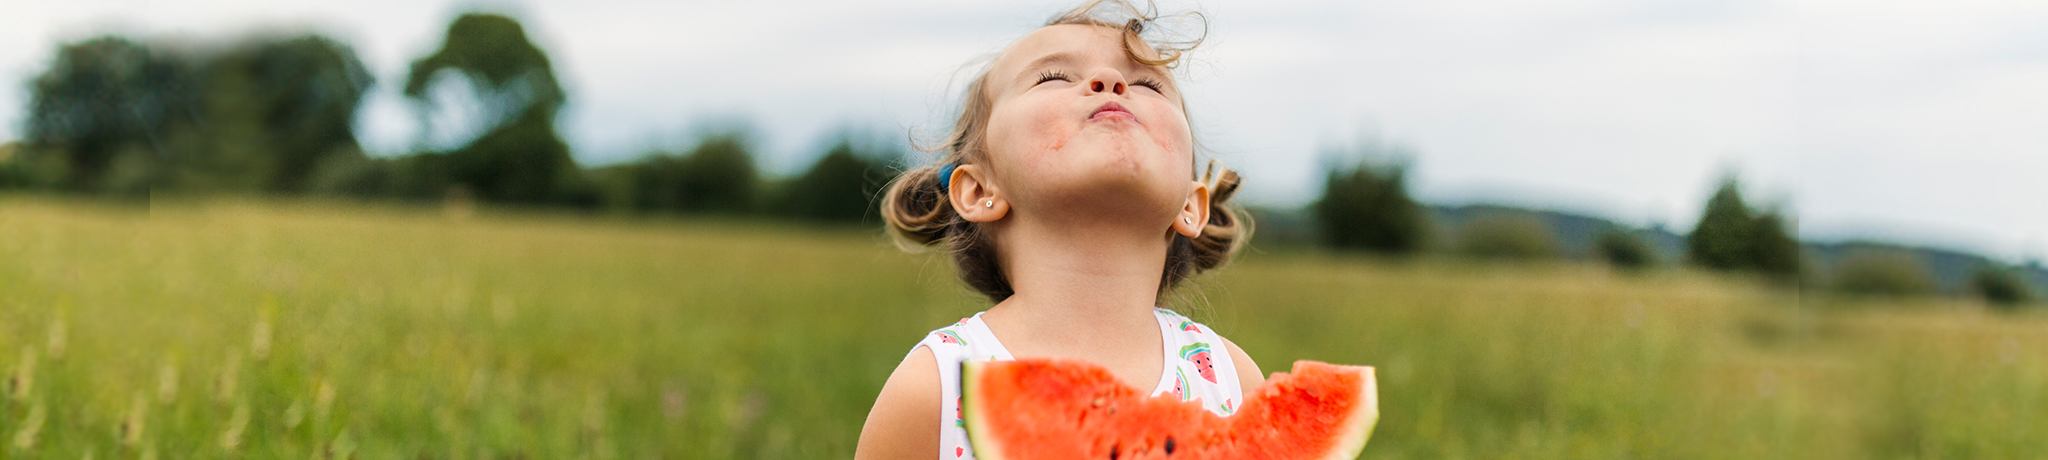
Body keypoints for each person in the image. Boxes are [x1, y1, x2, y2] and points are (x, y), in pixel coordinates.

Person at [855, 1, 1262, 458]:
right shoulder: (934, 387)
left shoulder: (1231, 379)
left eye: (1148, 84)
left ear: (1190, 204)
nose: (1112, 83)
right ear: (977, 190)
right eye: (1053, 77)